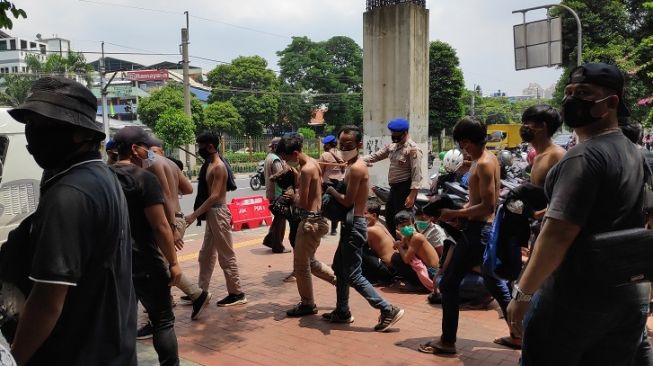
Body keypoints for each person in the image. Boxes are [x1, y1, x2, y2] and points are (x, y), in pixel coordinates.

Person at [507, 62, 652, 365]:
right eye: (569, 91)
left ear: (611, 103)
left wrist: (522, 294)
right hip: (627, 296)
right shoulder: (636, 153)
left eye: (584, 93)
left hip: (575, 297)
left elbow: (558, 233)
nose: (571, 99)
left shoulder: (584, 156)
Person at [8, 77, 136, 365]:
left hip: (78, 353)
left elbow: (46, 301)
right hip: (112, 349)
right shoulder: (100, 176)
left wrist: (13, 359)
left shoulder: (69, 193)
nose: (33, 135)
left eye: (45, 126)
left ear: (81, 134)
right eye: (30, 123)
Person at [419, 116, 501, 355]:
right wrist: (459, 213)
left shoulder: (484, 163)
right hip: (475, 228)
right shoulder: (486, 159)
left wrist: (454, 212)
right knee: (490, 282)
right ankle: (518, 332)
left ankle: (447, 341)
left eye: (460, 143)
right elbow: (477, 201)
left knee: (449, 283)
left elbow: (488, 205)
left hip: (478, 231)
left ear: (465, 141)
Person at [112, 127, 183, 366]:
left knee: (120, 323)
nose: (149, 154)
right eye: (146, 148)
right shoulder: (145, 179)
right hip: (146, 260)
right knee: (162, 320)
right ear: (135, 150)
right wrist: (173, 263)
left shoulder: (104, 176)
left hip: (113, 262)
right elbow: (160, 226)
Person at [324, 125, 405, 332]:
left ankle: (387, 309)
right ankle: (342, 310)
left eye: (348, 144)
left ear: (359, 144)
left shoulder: (358, 167)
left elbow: (347, 200)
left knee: (353, 274)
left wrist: (331, 189)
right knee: (339, 268)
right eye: (341, 144)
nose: (344, 147)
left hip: (356, 224)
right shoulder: (352, 165)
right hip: (351, 224)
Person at [275, 133, 336, 317]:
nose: (285, 163)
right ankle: (340, 282)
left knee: (301, 266)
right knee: (310, 262)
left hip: (311, 222)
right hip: (315, 220)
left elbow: (303, 201)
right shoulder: (310, 163)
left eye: (286, 159)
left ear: (294, 153)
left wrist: (291, 196)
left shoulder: (307, 169)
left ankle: (308, 304)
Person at [185, 133, 247, 307]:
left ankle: (237, 293)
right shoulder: (210, 164)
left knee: (226, 256)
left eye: (201, 146)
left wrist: (194, 215)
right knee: (205, 255)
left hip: (218, 213)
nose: (199, 150)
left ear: (210, 146)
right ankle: (200, 292)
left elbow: (214, 196)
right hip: (213, 214)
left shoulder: (218, 166)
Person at [363, 118, 423, 238]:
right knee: (390, 217)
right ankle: (396, 241)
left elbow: (417, 173)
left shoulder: (412, 149)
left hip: (405, 189)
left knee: (403, 220)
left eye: (397, 135)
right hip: (394, 189)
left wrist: (412, 195)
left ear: (405, 133)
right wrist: (357, 160)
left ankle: (410, 244)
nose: (394, 137)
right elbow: (376, 156)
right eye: (393, 134)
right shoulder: (393, 146)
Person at [391, 211, 440, 293]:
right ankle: (419, 283)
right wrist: (399, 243)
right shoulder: (407, 236)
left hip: (432, 273)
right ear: (397, 228)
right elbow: (399, 246)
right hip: (428, 270)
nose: (406, 227)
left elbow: (406, 259)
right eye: (402, 226)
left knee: (397, 258)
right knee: (397, 256)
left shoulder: (416, 237)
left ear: (413, 224)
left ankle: (420, 285)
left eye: (408, 224)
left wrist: (399, 246)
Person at [519, 105, 566, 187]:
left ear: (542, 126)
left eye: (527, 123)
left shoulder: (557, 155)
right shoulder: (538, 155)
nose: (523, 127)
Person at [262, 137, 290, 253]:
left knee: (278, 219)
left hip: (271, 192)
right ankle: (278, 246)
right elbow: (280, 176)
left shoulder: (269, 157)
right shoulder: (276, 159)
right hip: (277, 193)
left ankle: (270, 240)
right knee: (281, 221)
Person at [362, 199, 396, 285]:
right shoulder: (380, 225)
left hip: (387, 270)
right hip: (394, 268)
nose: (362, 216)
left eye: (365, 213)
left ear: (374, 215)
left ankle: (373, 278)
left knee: (358, 248)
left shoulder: (371, 230)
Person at [318, 135, 345, 235]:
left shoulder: (325, 155)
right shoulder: (341, 153)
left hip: (328, 183)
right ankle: (334, 229)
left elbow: (321, 171)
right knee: (336, 204)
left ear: (328, 145)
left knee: (323, 204)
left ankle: (323, 227)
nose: (324, 145)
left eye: (325, 144)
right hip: (340, 182)